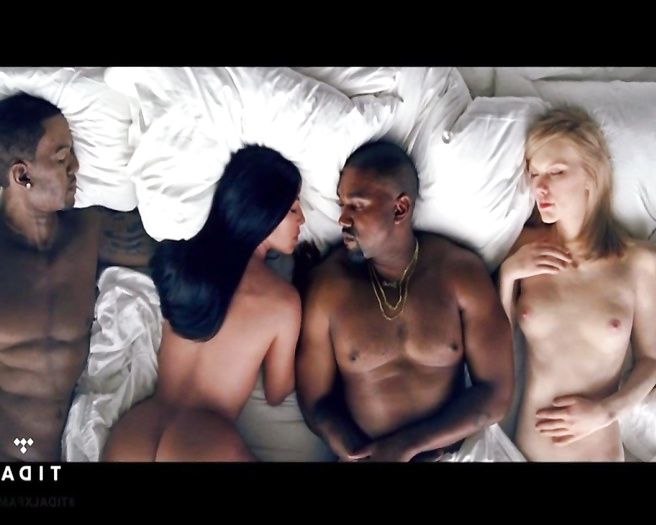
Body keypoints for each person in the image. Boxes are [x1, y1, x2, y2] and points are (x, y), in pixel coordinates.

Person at [295, 138, 514, 462]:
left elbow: (496, 393)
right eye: (342, 205)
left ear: (400, 208)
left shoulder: (459, 273)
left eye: (357, 205)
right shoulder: (329, 286)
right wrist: (351, 448)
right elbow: (316, 402)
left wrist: (407, 446)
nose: (342, 219)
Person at [102, 144, 306, 461]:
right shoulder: (282, 301)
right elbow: (278, 393)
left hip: (139, 427)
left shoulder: (186, 262)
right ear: (263, 213)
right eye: (292, 209)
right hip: (205, 434)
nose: (302, 220)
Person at [0, 92, 155, 462]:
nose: (77, 166)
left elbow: (176, 246)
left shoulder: (90, 229)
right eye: (61, 158)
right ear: (22, 175)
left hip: (82, 448)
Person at [498, 106, 656, 462]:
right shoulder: (521, 249)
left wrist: (606, 412)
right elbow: (497, 352)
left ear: (590, 175)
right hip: (527, 453)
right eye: (534, 173)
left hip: (600, 452)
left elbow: (651, 361)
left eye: (556, 171)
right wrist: (508, 275)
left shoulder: (639, 262)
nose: (539, 186)